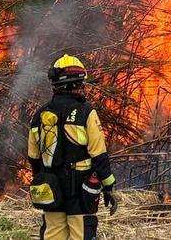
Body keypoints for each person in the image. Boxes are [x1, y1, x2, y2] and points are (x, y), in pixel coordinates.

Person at [27, 54, 117, 240]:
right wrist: (109, 186)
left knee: (53, 234)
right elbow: (99, 154)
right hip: (80, 189)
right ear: (79, 83)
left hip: (51, 186)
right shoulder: (86, 112)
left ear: (55, 84)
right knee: (82, 232)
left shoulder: (40, 114)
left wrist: (43, 178)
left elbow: (33, 157)